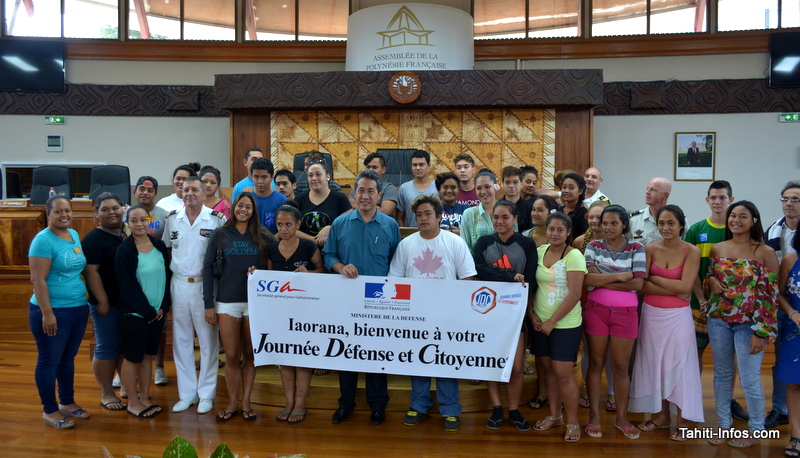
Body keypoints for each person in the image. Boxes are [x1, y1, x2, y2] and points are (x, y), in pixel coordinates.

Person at [390, 194, 476, 431]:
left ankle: (450, 408)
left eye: (428, 214)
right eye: (419, 215)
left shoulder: (455, 242)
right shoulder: (406, 245)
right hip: (415, 315)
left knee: (446, 361)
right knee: (418, 361)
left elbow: (468, 278)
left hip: (447, 315)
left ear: (439, 216)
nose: (423, 218)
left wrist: (458, 310)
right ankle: (418, 405)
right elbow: (395, 281)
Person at [322, 169, 401, 425]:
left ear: (379, 195)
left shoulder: (390, 226)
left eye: (370, 191)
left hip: (380, 300)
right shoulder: (340, 224)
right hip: (347, 299)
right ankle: (346, 404)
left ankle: (378, 406)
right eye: (360, 190)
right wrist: (340, 267)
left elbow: (396, 263)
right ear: (354, 193)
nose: (365, 196)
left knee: (377, 354)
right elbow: (329, 255)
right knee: (347, 353)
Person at [704, 201, 778, 447]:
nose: (736, 220)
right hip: (719, 321)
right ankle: (724, 424)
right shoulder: (717, 248)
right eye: (732, 215)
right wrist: (711, 279)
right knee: (722, 374)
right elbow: (709, 279)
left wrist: (761, 331)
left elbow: (770, 295)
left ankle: (757, 429)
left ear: (753, 221)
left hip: (749, 325)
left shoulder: (765, 252)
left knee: (749, 379)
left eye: (742, 216)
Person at [630, 204, 703, 440]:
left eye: (671, 223)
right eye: (661, 223)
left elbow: (685, 288)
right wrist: (673, 287)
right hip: (651, 314)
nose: (666, 227)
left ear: (681, 225)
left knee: (680, 366)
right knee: (655, 365)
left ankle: (683, 419)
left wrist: (654, 277)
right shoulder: (649, 248)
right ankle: (662, 416)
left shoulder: (691, 251)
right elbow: (642, 284)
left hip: (678, 317)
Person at [203, 191, 276, 422]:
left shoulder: (262, 235)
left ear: (254, 212)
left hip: (254, 303)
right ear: (233, 207)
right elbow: (207, 269)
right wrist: (208, 304)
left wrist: (261, 272)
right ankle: (232, 402)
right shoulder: (221, 234)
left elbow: (278, 262)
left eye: (248, 207)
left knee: (250, 355)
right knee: (232, 356)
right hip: (227, 301)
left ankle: (246, 402)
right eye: (240, 205)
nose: (243, 209)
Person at [684, 180, 748, 422]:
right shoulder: (696, 229)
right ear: (707, 200)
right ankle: (692, 399)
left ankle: (728, 400)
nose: (718, 201)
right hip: (697, 306)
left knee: (727, 358)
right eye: (713, 197)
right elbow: (689, 270)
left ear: (731, 200)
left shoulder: (737, 229)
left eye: (722, 197)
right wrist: (701, 298)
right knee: (695, 354)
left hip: (728, 310)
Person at [162, 176, 226, 414]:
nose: (190, 193)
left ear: (204, 193)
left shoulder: (216, 220)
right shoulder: (172, 219)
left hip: (205, 286)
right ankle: (187, 393)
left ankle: (207, 394)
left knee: (208, 341)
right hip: (178, 284)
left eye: (195, 190)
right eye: (186, 189)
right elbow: (168, 250)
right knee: (181, 341)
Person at [582, 205, 646, 440]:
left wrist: (602, 278)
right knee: (596, 364)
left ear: (624, 225)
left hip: (626, 313)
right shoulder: (593, 246)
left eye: (614, 223)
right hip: (596, 311)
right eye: (605, 223)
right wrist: (620, 275)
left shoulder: (636, 248)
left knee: (620, 367)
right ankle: (594, 418)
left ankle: (621, 418)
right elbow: (588, 278)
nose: (608, 227)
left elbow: (638, 284)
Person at [473, 201, 537, 432]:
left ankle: (513, 409)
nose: (500, 222)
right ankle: (497, 407)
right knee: (492, 363)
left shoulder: (526, 244)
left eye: (505, 217)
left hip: (515, 313)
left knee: (517, 367)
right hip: (488, 312)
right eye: (496, 217)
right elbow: (479, 270)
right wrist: (509, 276)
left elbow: (529, 279)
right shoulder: (484, 242)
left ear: (515, 219)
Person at [29, 195, 89, 430]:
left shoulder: (73, 235)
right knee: (49, 360)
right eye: (58, 212)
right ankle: (50, 409)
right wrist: (47, 313)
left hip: (78, 307)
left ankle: (67, 401)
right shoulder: (42, 241)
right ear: (48, 214)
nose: (64, 215)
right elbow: (38, 279)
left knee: (67, 358)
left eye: (68, 211)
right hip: (53, 311)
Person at [530, 213, 587, 443]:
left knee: (563, 374)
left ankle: (572, 421)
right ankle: (555, 415)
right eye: (551, 229)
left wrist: (552, 321)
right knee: (549, 373)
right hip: (539, 323)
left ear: (568, 232)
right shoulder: (539, 252)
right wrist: (531, 314)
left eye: (559, 230)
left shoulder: (574, 256)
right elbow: (532, 285)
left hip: (565, 324)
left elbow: (574, 294)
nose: (554, 233)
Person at [268, 203, 325, 424]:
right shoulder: (272, 249)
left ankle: (300, 403)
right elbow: (268, 278)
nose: (283, 229)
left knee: (302, 358)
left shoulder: (308, 248)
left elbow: (323, 270)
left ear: (298, 224)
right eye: (280, 224)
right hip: (281, 313)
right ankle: (289, 402)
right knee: (285, 359)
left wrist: (309, 272)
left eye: (288, 224)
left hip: (305, 312)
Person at [115, 205, 171, 418]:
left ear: (149, 221)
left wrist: (164, 307)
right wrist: (147, 311)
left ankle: (145, 397)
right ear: (128, 223)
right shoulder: (125, 250)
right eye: (134, 220)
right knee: (133, 357)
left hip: (157, 314)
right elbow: (127, 286)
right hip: (136, 315)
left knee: (148, 356)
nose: (139, 224)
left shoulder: (158, 244)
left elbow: (167, 277)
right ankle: (133, 401)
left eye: (143, 220)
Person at [82, 193, 127, 412]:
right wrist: (103, 301)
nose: (112, 212)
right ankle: (107, 393)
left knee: (122, 347)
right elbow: (91, 273)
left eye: (115, 208)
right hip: (105, 303)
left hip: (126, 302)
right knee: (107, 347)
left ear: (123, 208)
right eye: (105, 209)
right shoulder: (92, 239)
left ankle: (126, 386)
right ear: (97, 213)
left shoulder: (125, 233)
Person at [765, 181, 800, 428]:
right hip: (779, 301)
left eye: (795, 199)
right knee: (783, 359)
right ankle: (781, 408)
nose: (789, 203)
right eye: (785, 199)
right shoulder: (772, 231)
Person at [131, 176, 170, 386]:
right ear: (135, 192)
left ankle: (160, 367)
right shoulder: (126, 214)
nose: (145, 193)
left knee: (160, 327)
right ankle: (125, 369)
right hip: (133, 273)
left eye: (150, 190)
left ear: (155, 193)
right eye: (141, 189)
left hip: (156, 275)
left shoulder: (164, 215)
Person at [521, 194, 559, 410]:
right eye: (533, 209)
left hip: (552, 297)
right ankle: (543, 391)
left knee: (556, 355)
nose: (535, 213)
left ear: (551, 213)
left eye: (540, 210)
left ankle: (557, 395)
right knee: (540, 353)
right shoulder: (524, 236)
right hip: (529, 296)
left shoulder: (558, 238)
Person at [776, 231, 800, 457]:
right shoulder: (791, 259)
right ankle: (797, 435)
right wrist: (793, 313)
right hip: (795, 330)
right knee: (794, 384)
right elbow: (779, 293)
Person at [296, 159, 351, 247]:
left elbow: (349, 224)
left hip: (333, 248)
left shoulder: (340, 198)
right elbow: (292, 229)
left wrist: (331, 228)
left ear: (327, 176)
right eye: (310, 175)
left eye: (318, 174)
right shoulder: (299, 199)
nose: (314, 178)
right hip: (305, 249)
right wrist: (314, 240)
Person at [461, 169, 517, 252]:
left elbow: (515, 241)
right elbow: (465, 246)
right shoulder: (468, 214)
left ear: (495, 187)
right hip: (477, 262)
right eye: (479, 188)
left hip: (505, 262)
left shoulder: (508, 210)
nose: (483, 192)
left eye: (487, 187)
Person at [396, 149, 438, 227]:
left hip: (433, 234)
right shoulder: (404, 188)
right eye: (415, 165)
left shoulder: (438, 186)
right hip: (411, 234)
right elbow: (399, 217)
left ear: (429, 166)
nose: (418, 168)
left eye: (421, 165)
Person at [628, 177, 671, 246]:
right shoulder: (634, 220)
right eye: (647, 189)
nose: (647, 192)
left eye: (653, 190)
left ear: (665, 195)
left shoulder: (678, 220)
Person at [249, 157, 288, 235]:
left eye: (264, 177)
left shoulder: (282, 201)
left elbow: (287, 228)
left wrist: (272, 242)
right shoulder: (247, 200)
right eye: (256, 177)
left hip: (275, 244)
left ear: (272, 178)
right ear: (251, 177)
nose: (260, 181)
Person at [500, 166, 533, 232]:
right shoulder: (497, 206)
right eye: (507, 182)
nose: (511, 186)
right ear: (502, 184)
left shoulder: (530, 207)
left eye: (515, 182)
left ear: (521, 184)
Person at [558, 172, 589, 237]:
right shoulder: (559, 210)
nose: (566, 190)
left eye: (571, 188)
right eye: (564, 187)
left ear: (580, 191)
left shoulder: (584, 213)